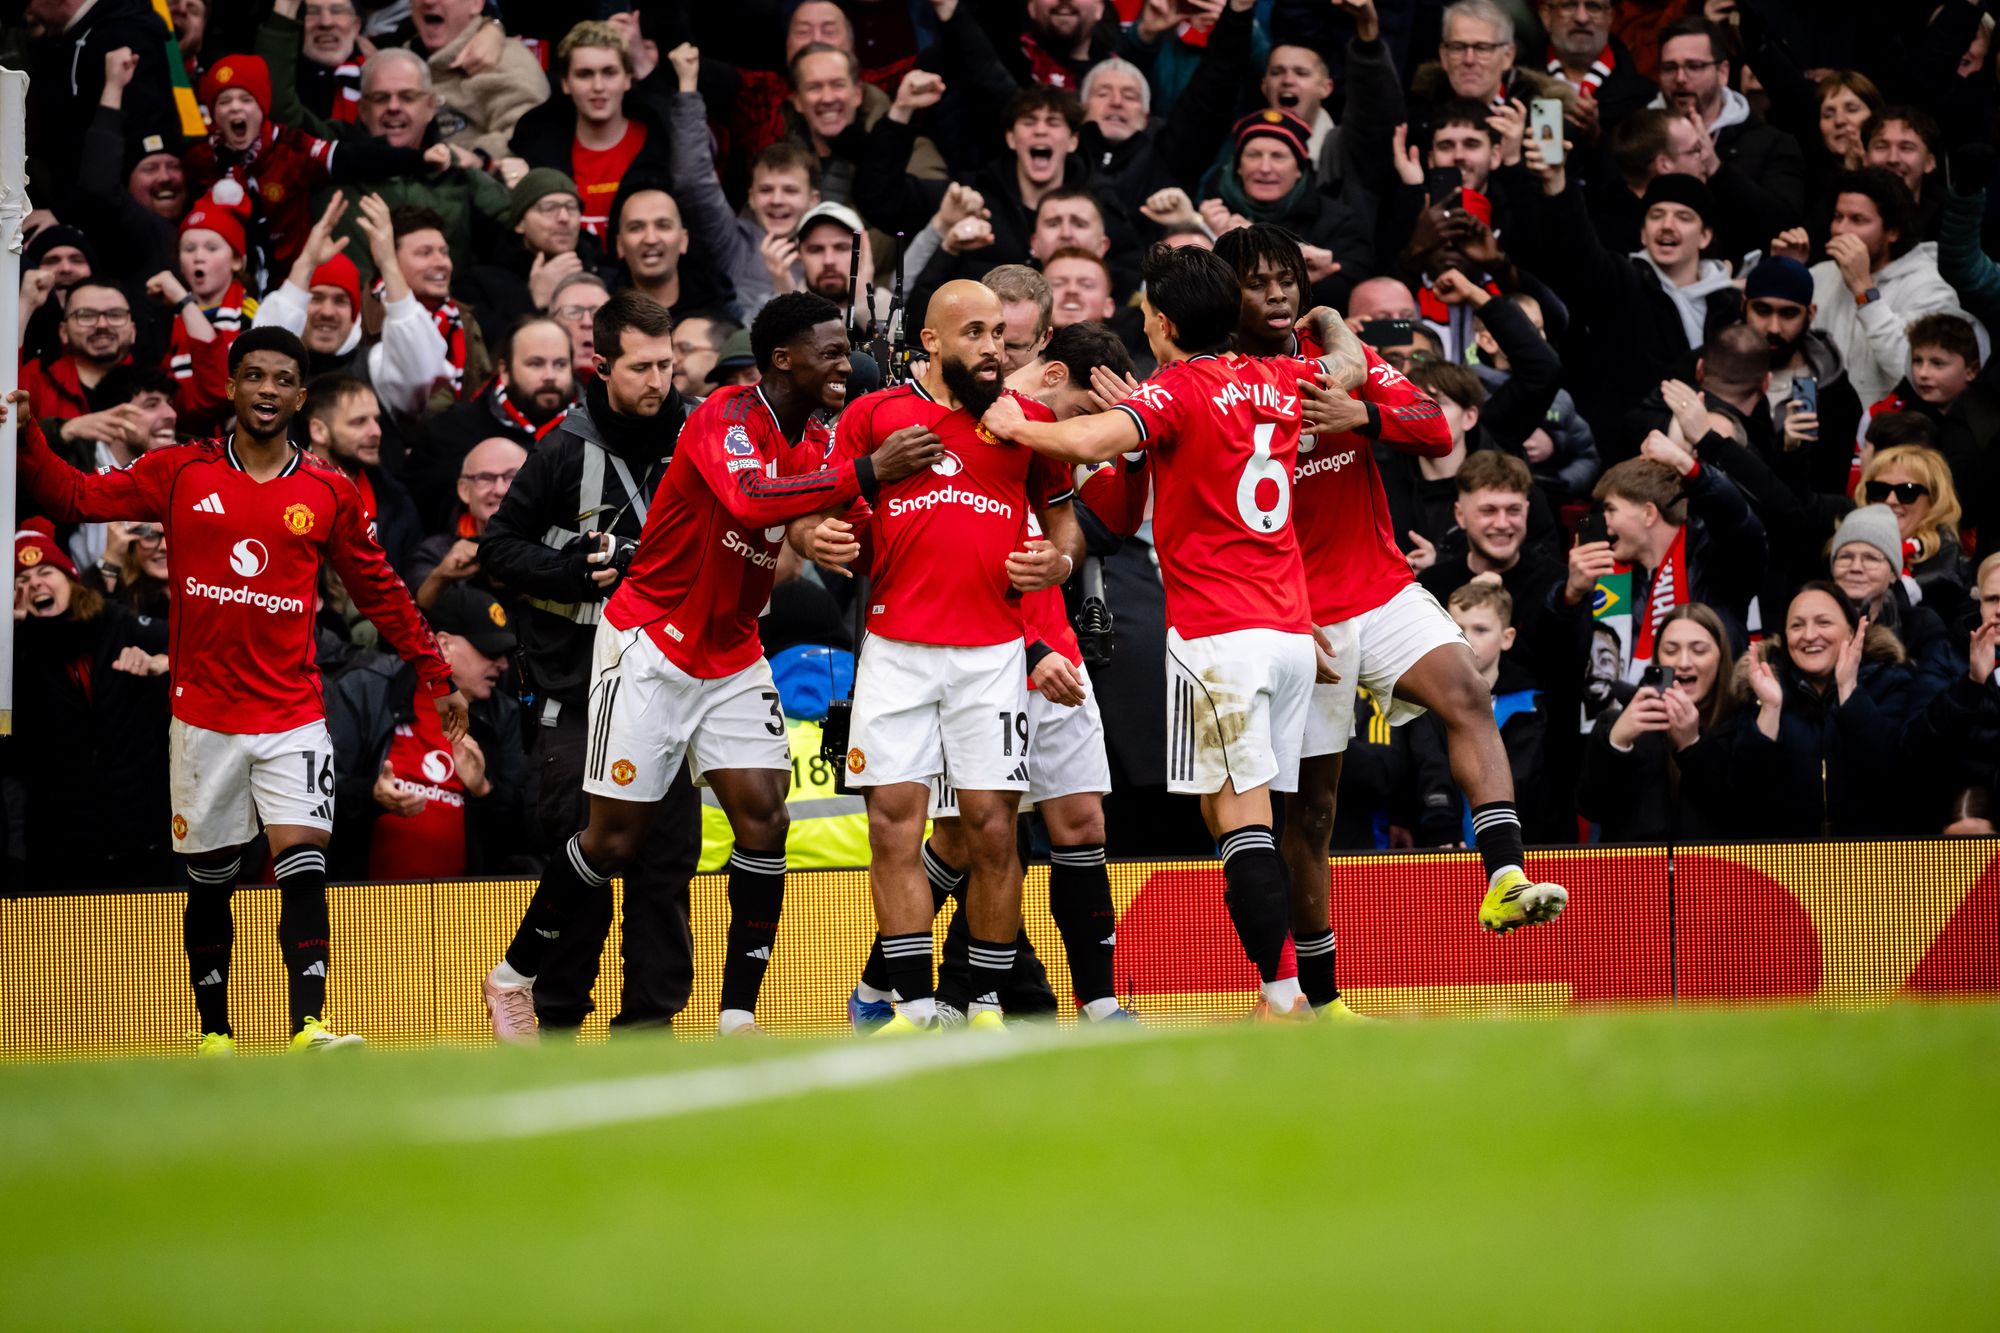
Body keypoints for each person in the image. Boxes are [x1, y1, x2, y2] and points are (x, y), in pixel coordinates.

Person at [481, 292, 944, 1042]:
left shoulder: (816, 439)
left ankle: (737, 1017)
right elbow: (751, 497)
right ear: (783, 360)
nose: (844, 364)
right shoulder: (723, 416)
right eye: (829, 352)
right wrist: (866, 470)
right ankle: (513, 975)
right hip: (651, 645)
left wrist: (864, 526)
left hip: (733, 653)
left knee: (765, 818)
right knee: (612, 841)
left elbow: (843, 521)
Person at [979, 243, 1416, 1022]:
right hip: (1291, 633)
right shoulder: (1280, 376)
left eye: (1149, 311)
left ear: (1165, 324)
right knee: (1246, 816)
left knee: (1238, 821)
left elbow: (1088, 442)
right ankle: (1286, 990)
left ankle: (1283, 996)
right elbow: (1349, 366)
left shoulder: (1175, 389)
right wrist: (1331, 322)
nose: (1145, 321)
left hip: (1220, 635)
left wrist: (1018, 422)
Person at [7, 326, 468, 1056]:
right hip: (203, 716)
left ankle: (309, 1025)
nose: (267, 390)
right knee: (211, 879)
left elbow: (380, 589)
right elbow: (71, 494)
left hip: (293, 711)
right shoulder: (179, 471)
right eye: (254, 375)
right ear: (230, 386)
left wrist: (435, 672)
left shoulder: (328, 490)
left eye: (282, 379)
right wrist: (29, 435)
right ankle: (215, 1031)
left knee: (303, 858)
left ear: (301, 396)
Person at [1219, 224, 1568, 999]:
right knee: (1313, 813)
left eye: (1285, 279)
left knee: (1467, 690)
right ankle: (1320, 997)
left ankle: (1505, 874)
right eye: (1256, 282)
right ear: (1226, 295)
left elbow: (1437, 428)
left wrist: (1364, 417)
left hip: (1377, 588)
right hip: (1294, 613)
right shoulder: (1220, 383)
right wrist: (1275, 612)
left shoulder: (1341, 359)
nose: (1275, 294)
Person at [794, 281, 1082, 1032]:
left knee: (992, 828)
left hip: (993, 652)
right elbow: (812, 506)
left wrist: (1058, 562)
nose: (992, 348)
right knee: (894, 826)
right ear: (930, 341)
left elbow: (1063, 520)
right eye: (974, 333)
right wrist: (816, 538)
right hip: (896, 649)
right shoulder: (875, 415)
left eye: (999, 334)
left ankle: (982, 1003)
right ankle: (915, 1009)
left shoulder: (1024, 421)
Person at [474, 291, 698, 1036]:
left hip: (672, 697)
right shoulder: (562, 449)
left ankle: (651, 1032)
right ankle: (558, 1023)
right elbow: (498, 549)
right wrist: (572, 572)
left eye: (667, 365)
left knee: (665, 873)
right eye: (641, 367)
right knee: (585, 867)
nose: (659, 381)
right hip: (575, 698)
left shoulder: (699, 436)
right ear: (600, 367)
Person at [326, 583, 528, 881]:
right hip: (363, 899)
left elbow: (520, 836)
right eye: (489, 651)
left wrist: (483, 791)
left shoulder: (503, 716)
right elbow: (319, 793)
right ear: (443, 645)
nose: (502, 664)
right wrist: (371, 795)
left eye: (505, 654)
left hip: (467, 902)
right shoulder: (370, 690)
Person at [11, 522, 174, 891]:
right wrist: (18, 633)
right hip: (63, 854)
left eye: (45, 572)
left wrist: (160, 662)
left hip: (143, 840)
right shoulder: (18, 655)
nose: (34, 584)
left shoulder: (113, 621)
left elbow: (191, 642)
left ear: (72, 580)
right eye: (21, 580)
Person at [1721, 583, 1914, 838]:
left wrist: (1849, 690)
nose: (1810, 635)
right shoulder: (1761, 687)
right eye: (1797, 626)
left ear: (1851, 631)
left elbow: (1892, 775)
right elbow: (1743, 790)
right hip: (1788, 856)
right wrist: (1770, 709)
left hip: (1871, 852)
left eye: (1824, 622)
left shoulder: (1890, 682)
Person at [1793, 167, 1987, 408]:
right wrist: (1786, 277)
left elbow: (1913, 374)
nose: (1841, 230)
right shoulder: (1819, 275)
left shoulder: (1931, 286)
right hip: (1821, 424)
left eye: (1858, 220)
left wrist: (1864, 292)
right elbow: (1798, 362)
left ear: (1893, 231)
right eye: (1837, 216)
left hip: (1890, 425)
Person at [1409, 582, 1561, 847]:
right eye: (1456, 628)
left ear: (1507, 637)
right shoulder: (1428, 702)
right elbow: (1430, 770)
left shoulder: (1532, 706)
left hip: (1521, 848)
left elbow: (1536, 787)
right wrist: (1442, 830)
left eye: (1480, 629)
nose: (1465, 639)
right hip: (1445, 847)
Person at [1575, 602, 1737, 841]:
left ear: (1721, 657)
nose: (1683, 662)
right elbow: (1591, 808)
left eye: (1699, 650)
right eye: (1671, 650)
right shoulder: (1617, 722)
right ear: (1657, 659)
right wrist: (1616, 742)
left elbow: (1742, 816)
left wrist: (1692, 745)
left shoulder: (1740, 725)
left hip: (1710, 863)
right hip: (1637, 864)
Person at [508, 21, 674, 243]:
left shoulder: (664, 142)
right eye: (585, 74)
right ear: (566, 83)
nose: (598, 86)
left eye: (609, 73)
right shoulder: (538, 150)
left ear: (627, 79)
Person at [1417, 449, 1564, 670]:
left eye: (1513, 510)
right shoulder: (1432, 586)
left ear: (1527, 511)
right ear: (1460, 515)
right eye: (1488, 511)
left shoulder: (1555, 584)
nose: (1502, 523)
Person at [1868, 313, 1999, 540]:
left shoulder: (1986, 423)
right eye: (1917, 361)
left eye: (1937, 363)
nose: (1923, 373)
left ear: (1972, 370)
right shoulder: (1891, 418)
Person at [1827, 504, 1959, 703]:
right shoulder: (1811, 620)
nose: (1856, 567)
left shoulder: (1922, 626)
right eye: (1845, 556)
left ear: (1893, 574)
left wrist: (1886, 651)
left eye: (1871, 558)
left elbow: (1930, 700)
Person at [301, 373, 422, 576]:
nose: (376, 431)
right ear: (319, 431)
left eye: (376, 420)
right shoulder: (282, 495)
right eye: (359, 422)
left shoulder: (396, 502)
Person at [409, 435, 527, 610]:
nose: (500, 490)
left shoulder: (559, 543)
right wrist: (441, 576)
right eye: (485, 478)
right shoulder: (437, 553)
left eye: (512, 477)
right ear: (464, 490)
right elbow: (411, 613)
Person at [1858, 444, 1973, 618]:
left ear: (1935, 500)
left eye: (1907, 491)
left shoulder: (1951, 572)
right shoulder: (1841, 555)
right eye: (1879, 490)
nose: (1890, 500)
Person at [23, 281, 137, 426]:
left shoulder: (156, 383)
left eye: (115, 315)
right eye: (86, 315)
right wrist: (25, 305)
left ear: (133, 330)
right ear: (63, 332)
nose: (102, 325)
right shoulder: (36, 383)